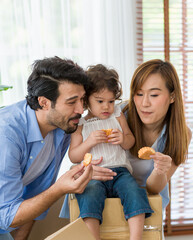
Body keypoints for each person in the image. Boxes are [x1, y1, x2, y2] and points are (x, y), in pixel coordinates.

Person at [0, 57, 116, 240]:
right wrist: (59, 189)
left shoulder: (62, 129)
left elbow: (33, 196)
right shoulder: (4, 135)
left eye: (82, 99)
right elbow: (7, 215)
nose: (80, 109)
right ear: (43, 102)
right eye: (71, 101)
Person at [68, 64, 153, 240]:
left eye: (111, 101)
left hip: (120, 172)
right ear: (86, 100)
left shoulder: (117, 114)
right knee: (89, 195)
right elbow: (74, 156)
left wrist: (122, 139)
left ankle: (136, 237)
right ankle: (94, 237)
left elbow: (130, 141)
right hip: (93, 175)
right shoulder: (81, 124)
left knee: (134, 191)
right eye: (100, 101)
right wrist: (89, 142)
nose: (106, 107)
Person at [122, 59, 192, 215]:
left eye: (154, 95)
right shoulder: (117, 117)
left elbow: (154, 189)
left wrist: (160, 171)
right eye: (139, 94)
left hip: (148, 211)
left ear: (172, 96)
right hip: (108, 208)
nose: (144, 103)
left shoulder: (181, 134)